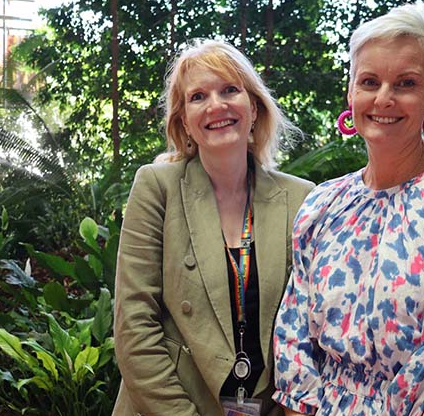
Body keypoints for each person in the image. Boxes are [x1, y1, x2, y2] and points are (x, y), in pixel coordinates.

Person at [272, 3, 424, 416]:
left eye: (405, 83)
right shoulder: (322, 203)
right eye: (369, 81)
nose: (383, 98)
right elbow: (293, 331)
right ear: (351, 92)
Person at [113, 39, 314, 416]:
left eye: (230, 90)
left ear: (253, 108)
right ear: (183, 121)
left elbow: (309, 328)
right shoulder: (158, 188)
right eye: (198, 96)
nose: (216, 106)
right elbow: (134, 330)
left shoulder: (301, 198)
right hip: (168, 407)